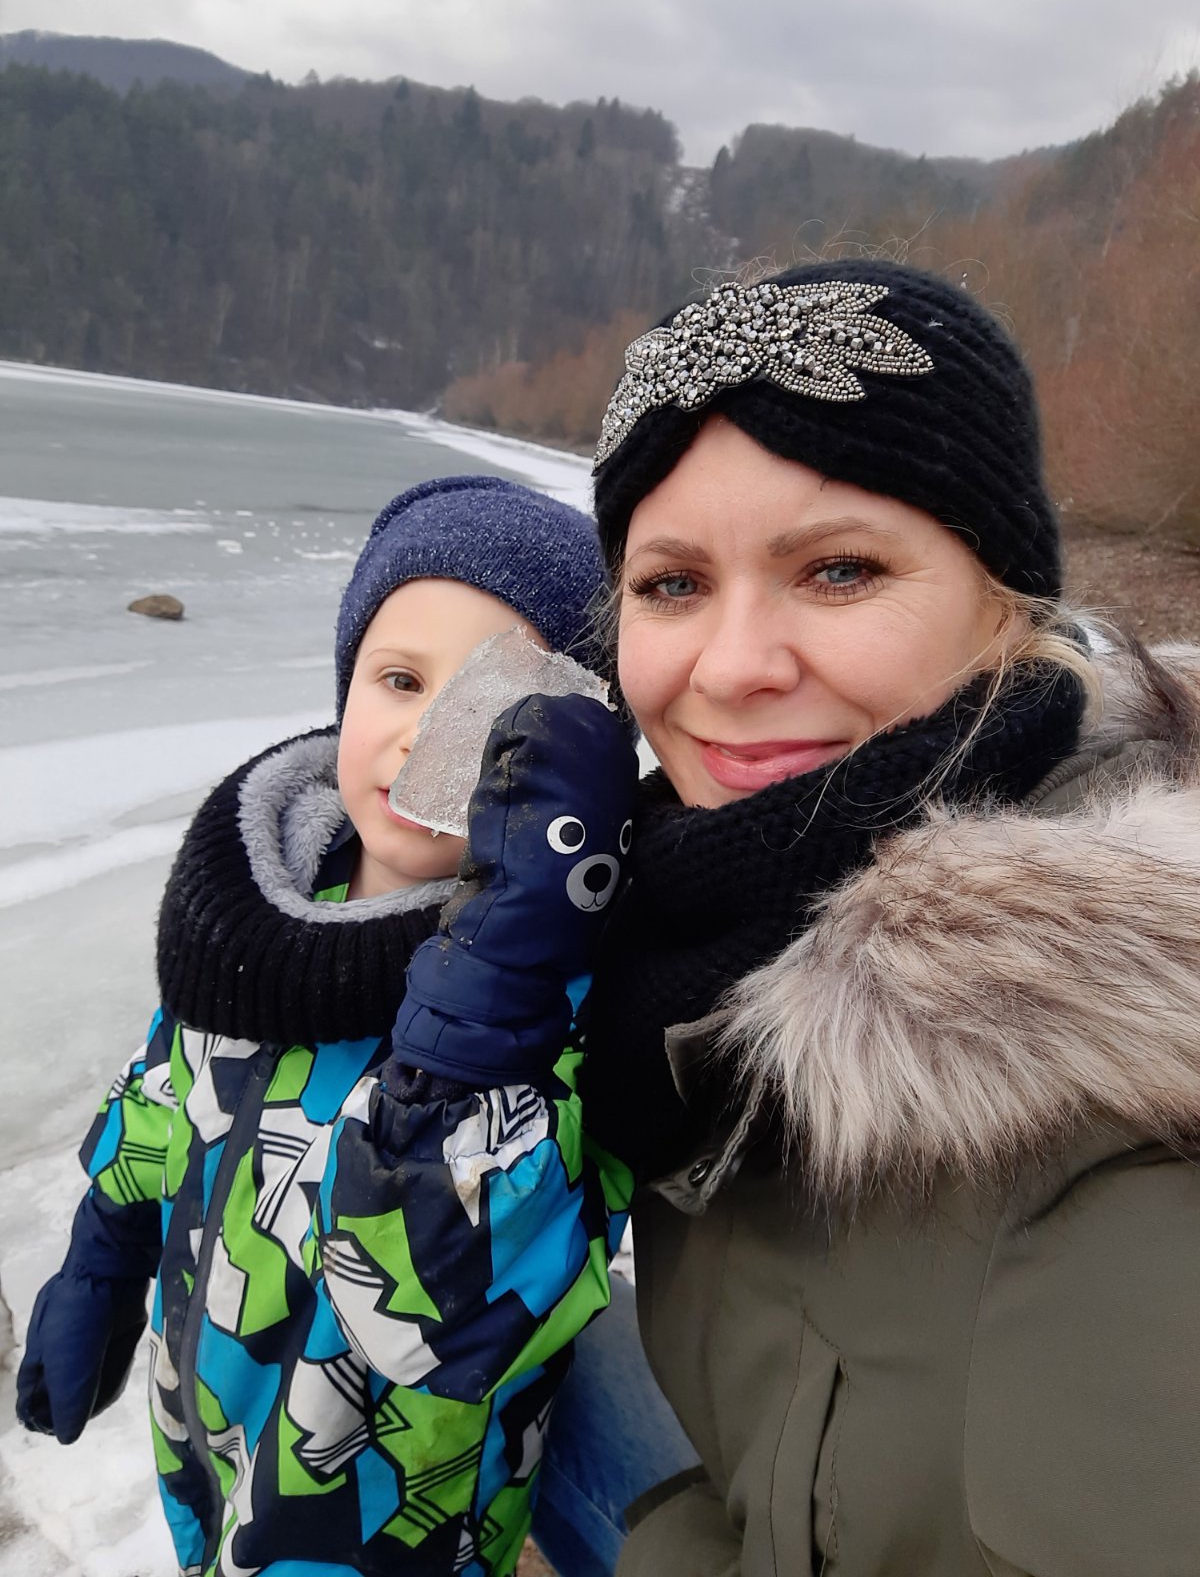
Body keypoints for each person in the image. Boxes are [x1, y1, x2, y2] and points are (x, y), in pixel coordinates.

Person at [557, 260, 1200, 1576]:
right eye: (672, 584)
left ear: (1008, 607)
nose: (734, 666)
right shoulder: (692, 951)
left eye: (839, 569)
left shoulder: (1124, 1154)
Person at [15, 475, 643, 1577]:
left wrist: (496, 984)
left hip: (385, 1525)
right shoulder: (263, 904)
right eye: (399, 680)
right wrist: (103, 1248)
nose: (423, 738)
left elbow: (467, 1304)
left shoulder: (565, 1003)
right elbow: (170, 1079)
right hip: (206, 1428)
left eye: (493, 715)